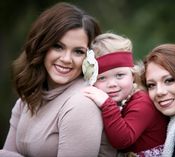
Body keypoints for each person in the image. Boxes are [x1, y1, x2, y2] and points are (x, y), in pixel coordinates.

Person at [0, 2, 105, 157]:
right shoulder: (28, 97)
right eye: (58, 46)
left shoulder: (82, 104)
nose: (66, 59)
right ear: (41, 46)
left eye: (78, 51)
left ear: (89, 57)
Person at [82, 33, 169, 157]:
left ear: (132, 75)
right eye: (102, 78)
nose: (112, 84)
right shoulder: (124, 100)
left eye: (119, 75)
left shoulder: (143, 103)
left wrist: (108, 105)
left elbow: (122, 140)